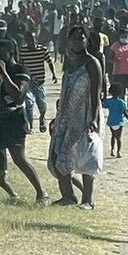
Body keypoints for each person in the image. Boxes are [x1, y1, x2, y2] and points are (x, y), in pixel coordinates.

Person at [0, 38, 50, 206]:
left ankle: (41, 193)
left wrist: (4, 74)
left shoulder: (20, 70)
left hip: (13, 121)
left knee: (19, 159)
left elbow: (18, 96)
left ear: (11, 53)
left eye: (2, 53)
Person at [49, 26, 104, 210]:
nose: (78, 41)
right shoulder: (69, 62)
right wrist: (58, 116)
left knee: (87, 156)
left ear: (86, 41)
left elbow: (96, 92)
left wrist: (94, 118)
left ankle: (88, 200)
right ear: (68, 41)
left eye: (81, 38)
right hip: (66, 115)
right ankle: (68, 196)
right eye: (74, 38)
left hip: (86, 114)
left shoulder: (92, 62)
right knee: (59, 155)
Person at [19, 31, 58, 134]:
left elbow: (49, 62)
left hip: (40, 83)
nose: (30, 41)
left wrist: (54, 74)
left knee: (42, 105)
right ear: (26, 41)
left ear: (35, 39)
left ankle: (42, 118)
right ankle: (30, 126)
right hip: (28, 83)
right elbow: (20, 65)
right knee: (29, 103)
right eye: (28, 40)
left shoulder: (42, 50)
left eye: (32, 39)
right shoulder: (22, 51)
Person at [102, 84, 128, 158]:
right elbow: (125, 113)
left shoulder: (108, 101)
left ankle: (112, 150)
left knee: (113, 136)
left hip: (111, 121)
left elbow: (103, 105)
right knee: (118, 138)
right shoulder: (122, 102)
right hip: (119, 122)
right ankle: (118, 152)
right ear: (120, 92)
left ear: (110, 92)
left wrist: (102, 98)